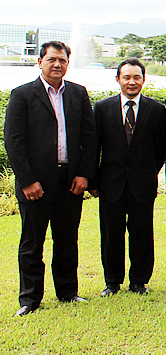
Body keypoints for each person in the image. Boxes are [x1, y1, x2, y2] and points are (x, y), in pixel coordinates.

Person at [5, 41, 96, 316]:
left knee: (67, 239)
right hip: (36, 183)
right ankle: (29, 299)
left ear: (68, 63)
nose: (57, 64)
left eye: (63, 60)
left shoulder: (78, 94)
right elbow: (14, 141)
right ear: (40, 62)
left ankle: (68, 292)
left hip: (69, 180)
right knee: (32, 242)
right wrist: (26, 180)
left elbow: (89, 139)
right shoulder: (22, 95)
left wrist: (84, 175)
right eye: (52, 59)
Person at [91, 58, 166, 296]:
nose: (132, 82)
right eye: (127, 77)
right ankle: (112, 282)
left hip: (142, 184)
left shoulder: (156, 109)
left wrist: (147, 172)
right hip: (110, 183)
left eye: (137, 77)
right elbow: (94, 148)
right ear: (118, 80)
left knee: (142, 233)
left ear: (143, 80)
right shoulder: (102, 108)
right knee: (111, 234)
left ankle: (139, 281)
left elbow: (160, 149)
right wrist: (93, 181)